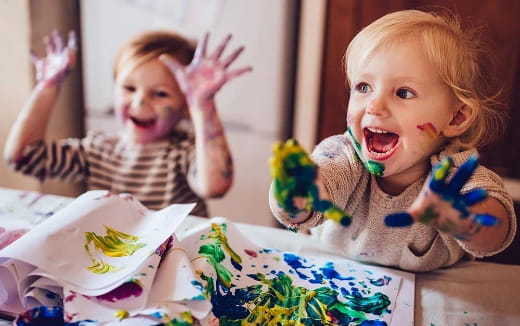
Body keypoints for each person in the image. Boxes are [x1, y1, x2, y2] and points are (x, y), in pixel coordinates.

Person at [269, 9, 517, 272]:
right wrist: (294, 197)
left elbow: (496, 234)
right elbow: (306, 204)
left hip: (431, 297)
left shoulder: (454, 177)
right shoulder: (344, 156)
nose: (375, 106)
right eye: (364, 87)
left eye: (403, 93)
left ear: (455, 117)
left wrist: (466, 221)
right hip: (332, 279)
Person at [4, 30, 251, 217]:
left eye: (161, 94)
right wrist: (47, 88)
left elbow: (216, 185)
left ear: (185, 105)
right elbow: (23, 157)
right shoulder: (97, 150)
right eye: (129, 88)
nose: (140, 101)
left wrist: (203, 104)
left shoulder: (183, 154)